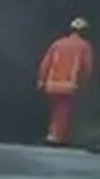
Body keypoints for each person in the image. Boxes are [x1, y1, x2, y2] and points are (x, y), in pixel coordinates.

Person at [37, 17, 94, 145]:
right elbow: (87, 68)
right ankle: (57, 138)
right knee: (64, 111)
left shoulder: (57, 43)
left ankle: (53, 133)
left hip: (51, 84)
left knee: (56, 110)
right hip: (69, 85)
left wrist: (41, 80)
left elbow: (45, 63)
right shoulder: (85, 46)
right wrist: (84, 85)